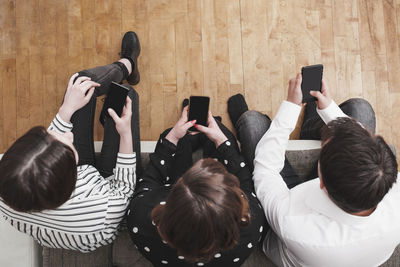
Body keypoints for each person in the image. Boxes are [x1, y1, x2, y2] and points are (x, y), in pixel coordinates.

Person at [228, 74, 400, 267]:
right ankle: (312, 118)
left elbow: (266, 170)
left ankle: (244, 130)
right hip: (333, 200)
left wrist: (290, 108)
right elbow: (360, 136)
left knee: (253, 123)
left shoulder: (296, 226)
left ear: (321, 182)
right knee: (360, 108)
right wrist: (329, 110)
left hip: (284, 224)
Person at [0, 31, 142, 252]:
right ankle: (124, 78)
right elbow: (124, 189)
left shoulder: (7, 191)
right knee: (127, 95)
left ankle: (127, 65)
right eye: (66, 144)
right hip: (105, 192)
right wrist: (125, 134)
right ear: (71, 180)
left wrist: (66, 109)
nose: (68, 134)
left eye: (48, 136)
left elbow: (52, 144)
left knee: (80, 83)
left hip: (69, 189)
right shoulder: (101, 212)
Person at [126, 102, 267, 266]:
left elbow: (149, 181)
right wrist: (221, 139)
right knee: (223, 135)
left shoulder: (140, 219)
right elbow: (246, 185)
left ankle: (194, 133)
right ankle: (207, 128)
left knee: (174, 137)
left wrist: (172, 137)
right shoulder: (251, 223)